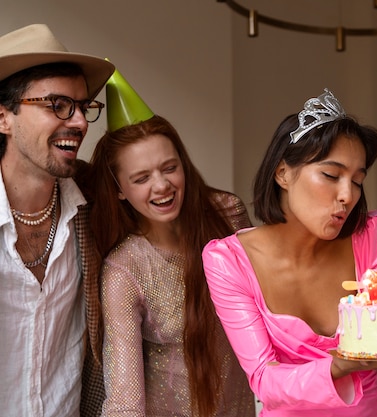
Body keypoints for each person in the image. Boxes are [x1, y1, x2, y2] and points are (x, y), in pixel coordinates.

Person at [202, 88, 377, 417]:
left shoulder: (367, 236)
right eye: (331, 175)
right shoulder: (229, 262)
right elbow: (263, 379)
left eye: (358, 180)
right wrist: (341, 365)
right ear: (283, 174)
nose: (348, 195)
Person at [89, 68, 255, 416]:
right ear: (119, 190)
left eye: (169, 168)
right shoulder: (125, 270)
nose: (162, 185)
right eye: (141, 178)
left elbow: (270, 307)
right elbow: (124, 399)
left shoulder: (228, 215)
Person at [0, 24, 115, 416]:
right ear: (3, 118)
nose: (81, 122)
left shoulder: (98, 201)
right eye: (58, 105)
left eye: (84, 107)